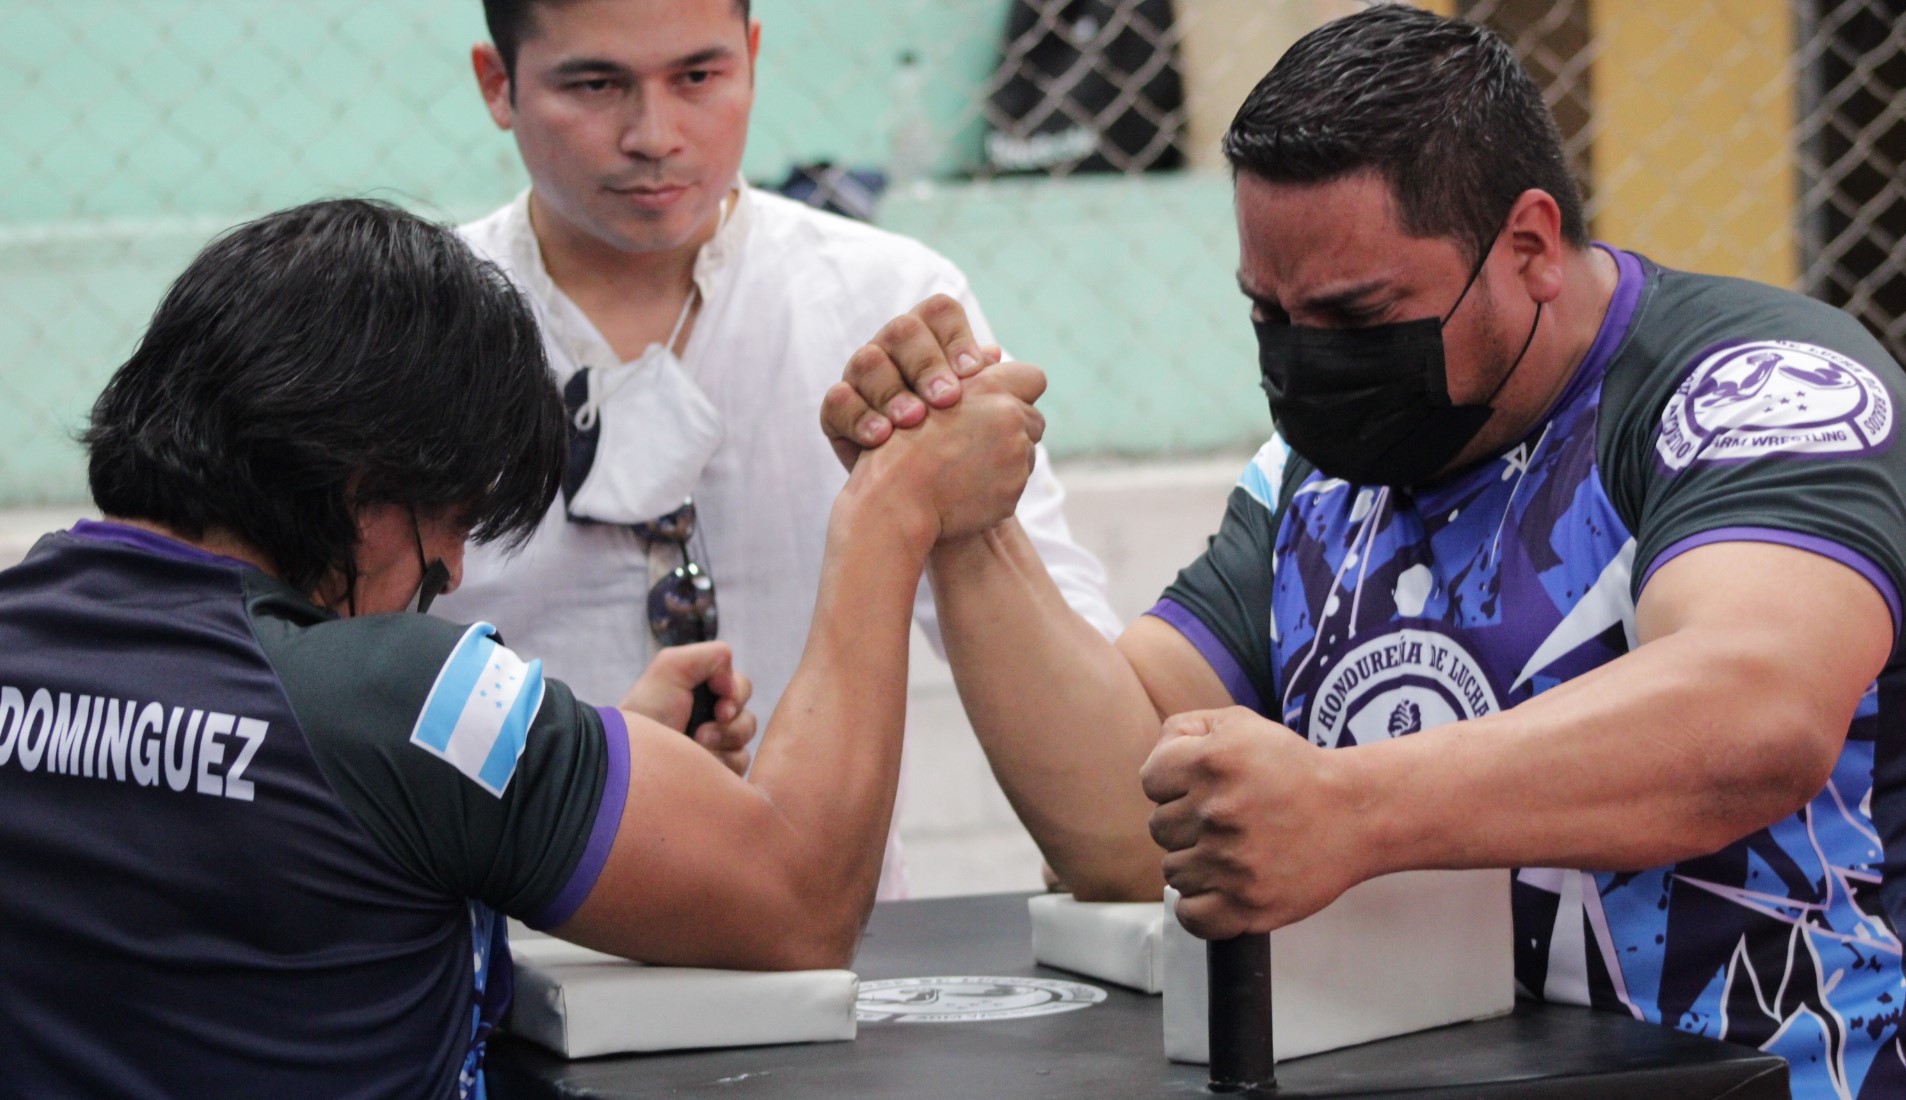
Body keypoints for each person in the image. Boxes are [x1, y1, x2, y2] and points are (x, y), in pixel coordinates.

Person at [819, 6, 1906, 1097]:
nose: (1307, 359)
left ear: (1527, 245)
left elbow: (1755, 711)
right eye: (1270, 315)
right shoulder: (1318, 470)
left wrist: (1351, 809)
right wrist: (964, 521)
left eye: (1357, 314)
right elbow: (1124, 816)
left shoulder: (1752, 388)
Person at [0, 199, 1050, 1099]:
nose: (449, 570)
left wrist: (601, 754)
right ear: (368, 492)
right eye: (452, 521)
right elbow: (800, 899)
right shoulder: (410, 698)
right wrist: (888, 512)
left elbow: (298, 841)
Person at [437, 0, 1121, 896]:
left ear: (753, 58)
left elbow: (1071, 652)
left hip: (831, 940)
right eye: (596, 84)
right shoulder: (416, 331)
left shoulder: (891, 304)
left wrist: (954, 512)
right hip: (503, 943)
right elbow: (328, 688)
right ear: (499, 84)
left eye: (698, 77)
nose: (654, 134)